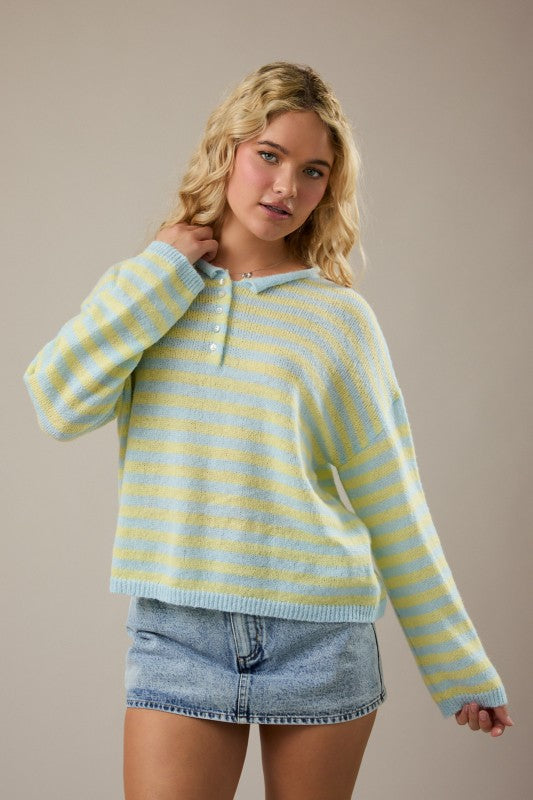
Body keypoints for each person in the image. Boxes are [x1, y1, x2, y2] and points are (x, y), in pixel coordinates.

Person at [23, 61, 513, 800]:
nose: (287, 187)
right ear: (227, 150)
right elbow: (59, 406)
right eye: (269, 156)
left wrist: (458, 666)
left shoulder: (338, 321)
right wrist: (163, 268)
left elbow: (393, 501)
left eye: (313, 171)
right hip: (178, 633)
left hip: (319, 637)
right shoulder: (146, 288)